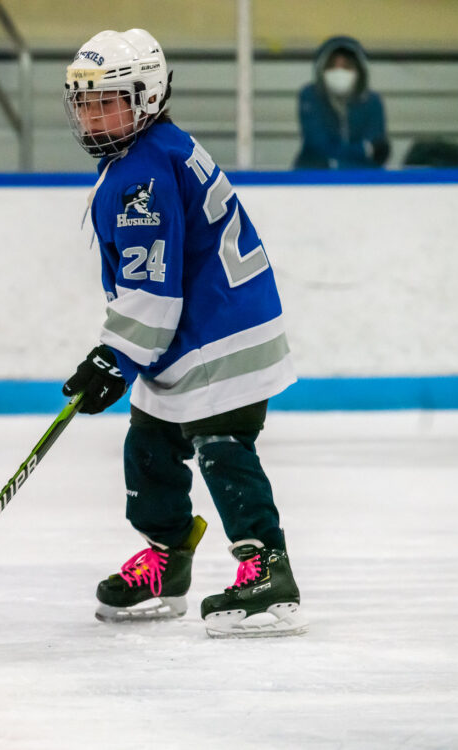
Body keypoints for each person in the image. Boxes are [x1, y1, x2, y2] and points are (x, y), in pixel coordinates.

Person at [61, 28, 306, 638]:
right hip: (194, 332)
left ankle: (267, 568)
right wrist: (121, 354)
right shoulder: (151, 151)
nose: (92, 114)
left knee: (223, 447)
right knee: (149, 445)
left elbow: (154, 290)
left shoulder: (142, 172)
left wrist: (114, 356)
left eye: (107, 100)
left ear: (144, 97)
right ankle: (167, 561)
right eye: (84, 101)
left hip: (221, 335)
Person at [293, 35, 389, 169]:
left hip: (362, 181)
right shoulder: (310, 96)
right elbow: (317, 145)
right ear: (321, 69)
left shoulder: (372, 102)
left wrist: (341, 158)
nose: (339, 71)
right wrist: (363, 150)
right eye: (332, 66)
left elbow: (377, 148)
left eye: (346, 66)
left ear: (359, 70)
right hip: (314, 178)